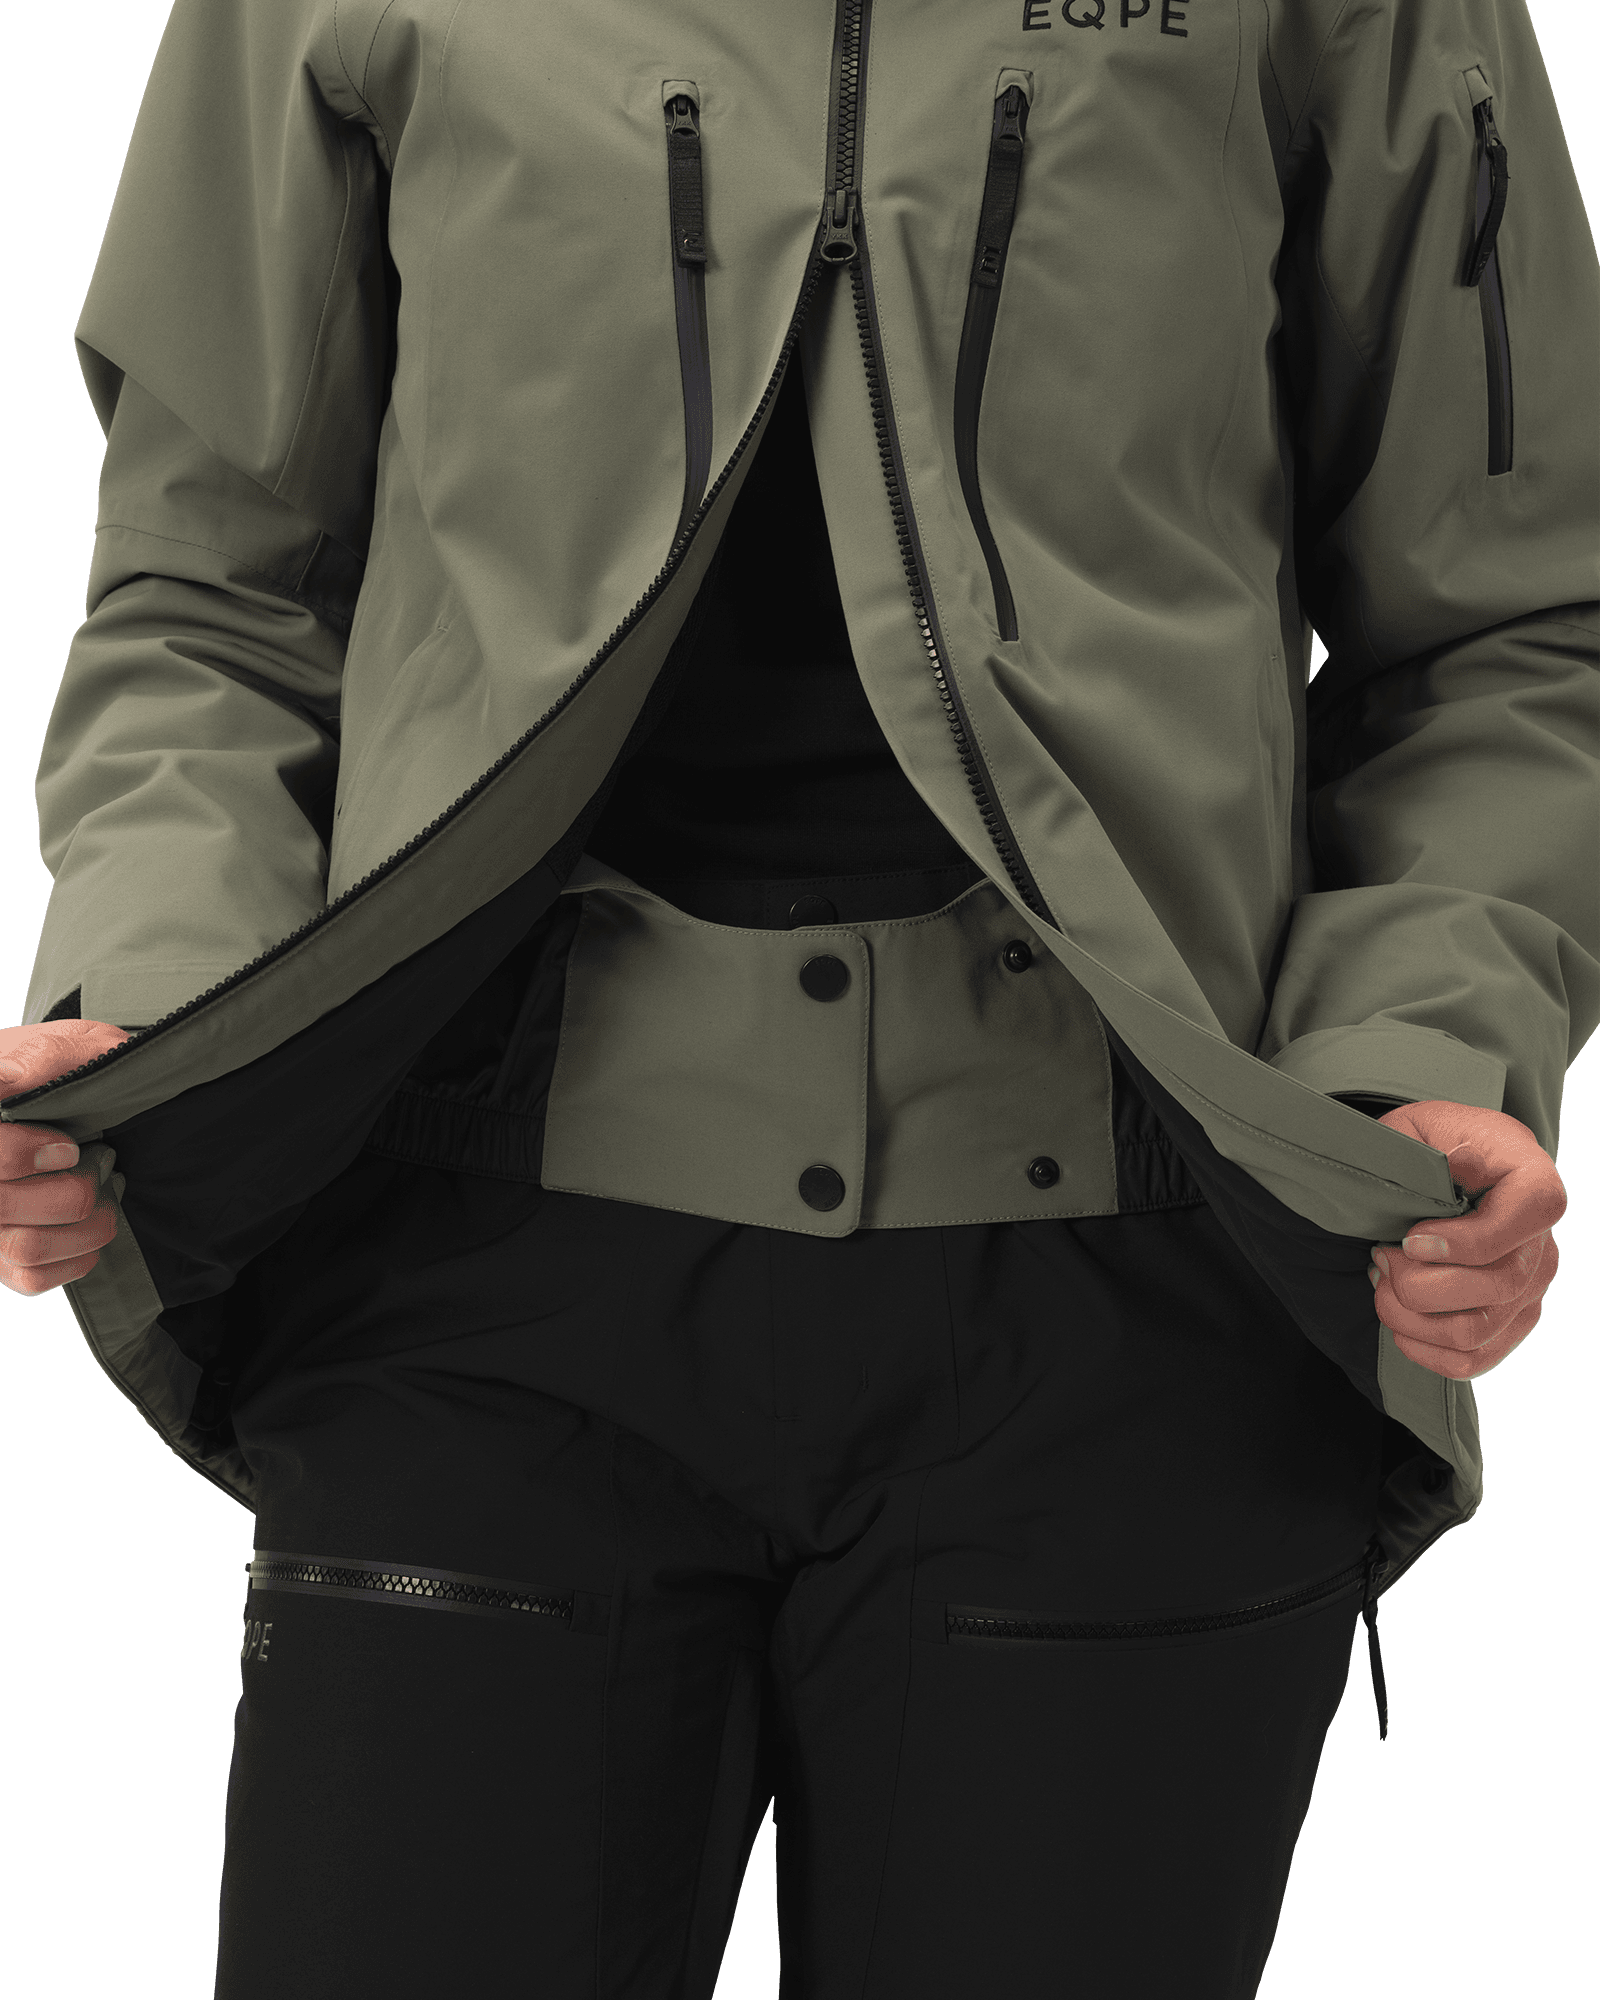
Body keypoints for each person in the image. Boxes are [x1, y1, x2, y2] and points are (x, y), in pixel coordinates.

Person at [0, 0, 1593, 1993]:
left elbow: (1514, 617)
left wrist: (1419, 1055)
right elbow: (213, 578)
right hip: (472, 1285)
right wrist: (151, 999)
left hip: (1133, 1303)